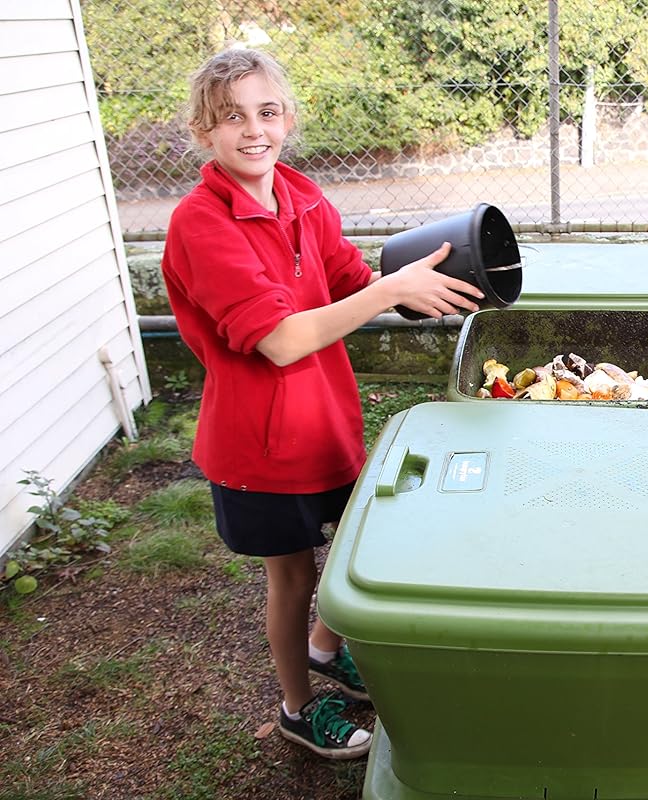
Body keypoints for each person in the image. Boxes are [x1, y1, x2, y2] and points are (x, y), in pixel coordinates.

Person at [161, 48, 484, 759]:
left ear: (288, 119)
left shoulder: (301, 195)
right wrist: (388, 292)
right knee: (294, 574)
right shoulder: (201, 224)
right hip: (259, 444)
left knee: (355, 541)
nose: (254, 130)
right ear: (203, 131)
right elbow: (279, 341)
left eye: (267, 112)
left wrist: (422, 281)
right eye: (232, 117)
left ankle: (323, 648)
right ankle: (297, 707)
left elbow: (347, 277)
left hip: (327, 422)